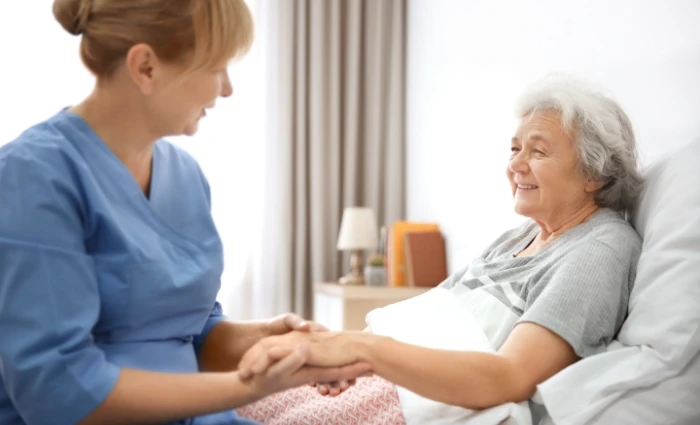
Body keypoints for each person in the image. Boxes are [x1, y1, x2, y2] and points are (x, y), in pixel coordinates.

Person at [0, 1, 370, 425]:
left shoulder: (186, 176)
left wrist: (270, 343)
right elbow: (58, 392)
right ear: (146, 68)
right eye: (216, 68)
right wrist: (251, 387)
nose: (227, 89)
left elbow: (186, 331)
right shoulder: (33, 176)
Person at [235, 74, 645, 424]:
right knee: (235, 394)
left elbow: (508, 377)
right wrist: (336, 354)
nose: (516, 164)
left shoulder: (600, 248)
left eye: (537, 151)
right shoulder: (518, 237)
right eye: (515, 147)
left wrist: (360, 348)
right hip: (384, 377)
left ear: (594, 173)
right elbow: (430, 315)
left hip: (411, 401)